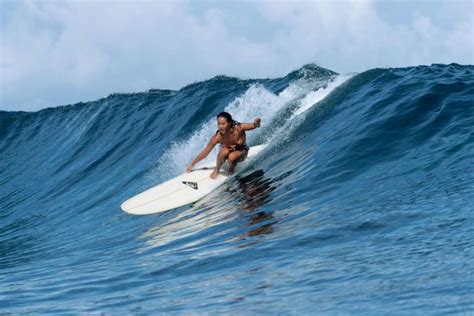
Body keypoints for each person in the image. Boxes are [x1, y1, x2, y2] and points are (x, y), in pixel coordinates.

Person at [186, 112, 261, 179]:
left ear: (229, 123)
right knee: (223, 152)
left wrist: (256, 123)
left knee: (232, 157)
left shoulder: (239, 128)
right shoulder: (218, 136)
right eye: (219, 123)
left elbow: (254, 126)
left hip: (241, 151)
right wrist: (192, 164)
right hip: (227, 150)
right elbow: (206, 152)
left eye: (223, 123)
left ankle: (231, 168)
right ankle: (217, 169)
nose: (220, 126)